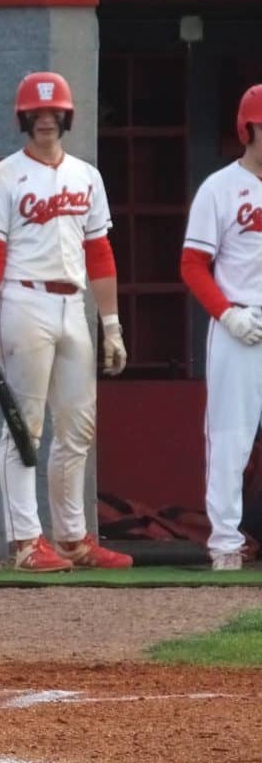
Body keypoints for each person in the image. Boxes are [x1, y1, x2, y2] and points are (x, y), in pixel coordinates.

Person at [0, 72, 134, 573]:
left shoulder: (87, 175)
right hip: (24, 301)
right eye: (37, 114)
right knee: (25, 428)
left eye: (53, 112)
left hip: (73, 305)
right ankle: (25, 541)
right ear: (24, 119)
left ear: (66, 117)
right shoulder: (3, 176)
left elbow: (99, 251)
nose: (46, 120)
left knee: (78, 427)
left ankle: (72, 538)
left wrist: (111, 323)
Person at [180, 84, 262, 571]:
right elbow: (192, 264)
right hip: (239, 321)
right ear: (248, 129)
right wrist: (227, 313)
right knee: (231, 436)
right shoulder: (219, 187)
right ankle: (226, 544)